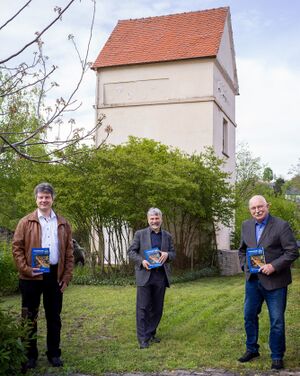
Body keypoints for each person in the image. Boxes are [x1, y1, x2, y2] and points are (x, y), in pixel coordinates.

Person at [12, 182, 74, 371]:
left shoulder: (63, 223)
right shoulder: (25, 222)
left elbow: (70, 252)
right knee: (29, 317)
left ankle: (54, 354)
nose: (44, 200)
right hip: (31, 277)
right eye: (41, 197)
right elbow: (17, 248)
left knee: (54, 317)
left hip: (54, 275)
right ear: (36, 199)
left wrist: (66, 276)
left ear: (52, 199)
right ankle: (30, 356)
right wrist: (26, 270)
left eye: (47, 197)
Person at [238, 195, 299, 370]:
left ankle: (277, 356)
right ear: (250, 210)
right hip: (253, 282)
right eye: (253, 208)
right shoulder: (246, 225)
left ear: (267, 206)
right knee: (249, 316)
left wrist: (274, 266)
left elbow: (292, 251)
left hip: (276, 282)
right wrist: (245, 266)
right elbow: (242, 250)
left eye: (260, 207)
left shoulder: (281, 225)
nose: (257, 210)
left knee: (277, 320)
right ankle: (252, 349)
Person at [128, 207, 176, 349]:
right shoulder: (140, 234)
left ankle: (151, 333)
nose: (154, 221)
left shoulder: (167, 236)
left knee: (157, 308)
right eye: (152, 219)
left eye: (157, 218)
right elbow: (131, 252)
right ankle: (143, 338)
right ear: (148, 220)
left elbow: (173, 253)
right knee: (143, 308)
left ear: (161, 219)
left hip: (160, 276)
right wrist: (142, 261)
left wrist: (167, 255)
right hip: (145, 275)